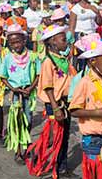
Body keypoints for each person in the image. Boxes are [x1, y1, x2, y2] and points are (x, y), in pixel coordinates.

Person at [25, 24, 77, 178]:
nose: (65, 42)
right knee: (56, 137)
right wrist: (55, 107)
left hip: (65, 102)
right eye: (62, 40)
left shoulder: (62, 59)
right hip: (56, 104)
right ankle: (42, 159)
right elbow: (47, 87)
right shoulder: (48, 62)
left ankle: (61, 166)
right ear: (53, 42)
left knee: (64, 136)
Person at [69, 38, 102, 179]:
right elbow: (74, 110)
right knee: (97, 174)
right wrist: (99, 113)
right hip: (94, 140)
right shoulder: (85, 83)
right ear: (92, 62)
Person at [0, 24, 40, 161]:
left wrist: (31, 88)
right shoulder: (8, 58)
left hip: (28, 92)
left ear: (24, 41)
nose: (15, 45)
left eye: (18, 42)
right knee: (16, 121)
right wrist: (13, 88)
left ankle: (27, 146)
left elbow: (38, 75)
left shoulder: (33, 56)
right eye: (12, 43)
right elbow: (3, 77)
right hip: (16, 94)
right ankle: (17, 150)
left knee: (28, 120)